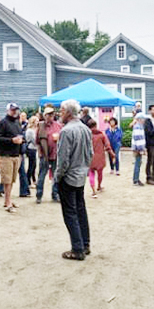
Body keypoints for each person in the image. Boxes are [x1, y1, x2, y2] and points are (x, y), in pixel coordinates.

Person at [55, 99, 93, 260]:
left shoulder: (66, 131)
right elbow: (90, 153)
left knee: (70, 212)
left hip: (69, 177)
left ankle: (77, 249)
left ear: (68, 112)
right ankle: (85, 244)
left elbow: (63, 160)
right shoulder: (85, 129)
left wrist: (57, 177)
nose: (60, 114)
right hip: (81, 174)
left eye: (62, 111)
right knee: (81, 210)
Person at [0, 103, 24, 213]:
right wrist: (11, 140)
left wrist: (21, 140)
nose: (14, 112)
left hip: (16, 154)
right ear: (8, 111)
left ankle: (8, 200)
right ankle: (7, 203)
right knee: (7, 180)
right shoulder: (3, 123)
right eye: (12, 110)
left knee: (11, 180)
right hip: (5, 155)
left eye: (15, 110)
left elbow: (20, 135)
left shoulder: (17, 122)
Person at [36, 107, 62, 203]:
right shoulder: (41, 126)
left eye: (52, 114)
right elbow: (37, 141)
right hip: (45, 155)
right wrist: (40, 153)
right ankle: (39, 195)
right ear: (45, 115)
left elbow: (63, 138)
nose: (50, 116)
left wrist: (58, 138)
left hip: (56, 154)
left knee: (56, 176)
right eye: (48, 114)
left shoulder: (58, 126)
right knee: (42, 176)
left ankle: (55, 194)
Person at [88, 119, 114, 198]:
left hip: (90, 157)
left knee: (91, 173)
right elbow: (107, 145)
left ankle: (93, 190)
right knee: (100, 173)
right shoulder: (102, 135)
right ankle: (99, 185)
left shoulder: (87, 135)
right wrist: (112, 153)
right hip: (100, 157)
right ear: (96, 125)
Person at [131, 113, 147, 186]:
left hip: (137, 148)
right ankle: (136, 180)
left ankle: (136, 179)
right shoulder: (138, 127)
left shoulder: (139, 126)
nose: (144, 120)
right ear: (140, 119)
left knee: (138, 163)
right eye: (143, 119)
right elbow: (138, 139)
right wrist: (142, 149)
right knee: (137, 164)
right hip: (138, 148)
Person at [25, 115, 39, 185]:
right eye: (36, 121)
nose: (38, 122)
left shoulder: (35, 129)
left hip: (35, 148)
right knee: (31, 165)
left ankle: (33, 180)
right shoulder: (30, 130)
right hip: (31, 149)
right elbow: (34, 140)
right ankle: (28, 181)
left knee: (34, 165)